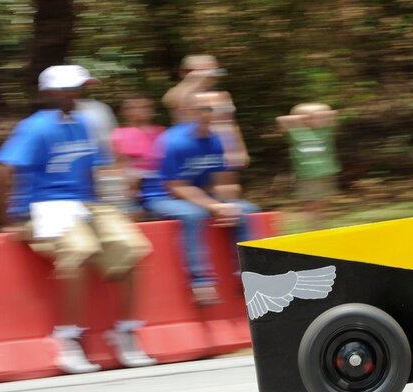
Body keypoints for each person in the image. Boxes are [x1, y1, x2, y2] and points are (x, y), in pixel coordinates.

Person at [0, 64, 156, 374]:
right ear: (50, 93)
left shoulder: (83, 123)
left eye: (79, 87)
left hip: (85, 204)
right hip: (43, 206)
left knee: (133, 247)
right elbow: (0, 169)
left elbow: (98, 170)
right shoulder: (35, 127)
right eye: (69, 88)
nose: (76, 94)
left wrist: (119, 203)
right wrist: (9, 219)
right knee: (78, 249)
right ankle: (68, 337)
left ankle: (125, 331)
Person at [142, 91, 259, 306]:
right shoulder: (174, 141)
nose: (220, 115)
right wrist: (214, 205)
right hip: (163, 195)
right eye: (212, 109)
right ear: (195, 112)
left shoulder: (220, 140)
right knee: (193, 214)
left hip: (200, 193)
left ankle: (248, 275)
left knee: (246, 210)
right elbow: (176, 186)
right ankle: (201, 281)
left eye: (225, 110)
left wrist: (226, 205)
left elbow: (222, 181)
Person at [277, 102, 341, 231]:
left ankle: (317, 223)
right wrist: (302, 118)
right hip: (307, 175)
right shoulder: (296, 132)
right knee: (311, 204)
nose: (315, 119)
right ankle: (313, 226)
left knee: (322, 202)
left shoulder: (325, 131)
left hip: (326, 172)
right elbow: (280, 120)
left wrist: (317, 115)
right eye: (309, 117)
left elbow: (333, 115)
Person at [110, 94, 165, 214]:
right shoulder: (119, 135)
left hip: (161, 188)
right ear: (124, 112)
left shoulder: (162, 133)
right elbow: (119, 166)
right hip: (132, 190)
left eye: (144, 107)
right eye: (132, 108)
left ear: (152, 109)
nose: (138, 111)